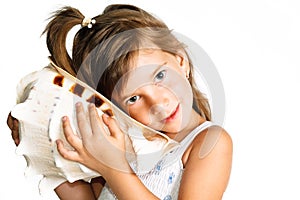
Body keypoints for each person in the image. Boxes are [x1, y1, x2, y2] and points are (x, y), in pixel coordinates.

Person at [7, 4, 232, 200]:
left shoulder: (209, 143)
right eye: (133, 98)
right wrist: (45, 148)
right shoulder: (122, 142)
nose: (156, 103)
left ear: (180, 60)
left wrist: (112, 168)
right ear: (114, 108)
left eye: (159, 76)